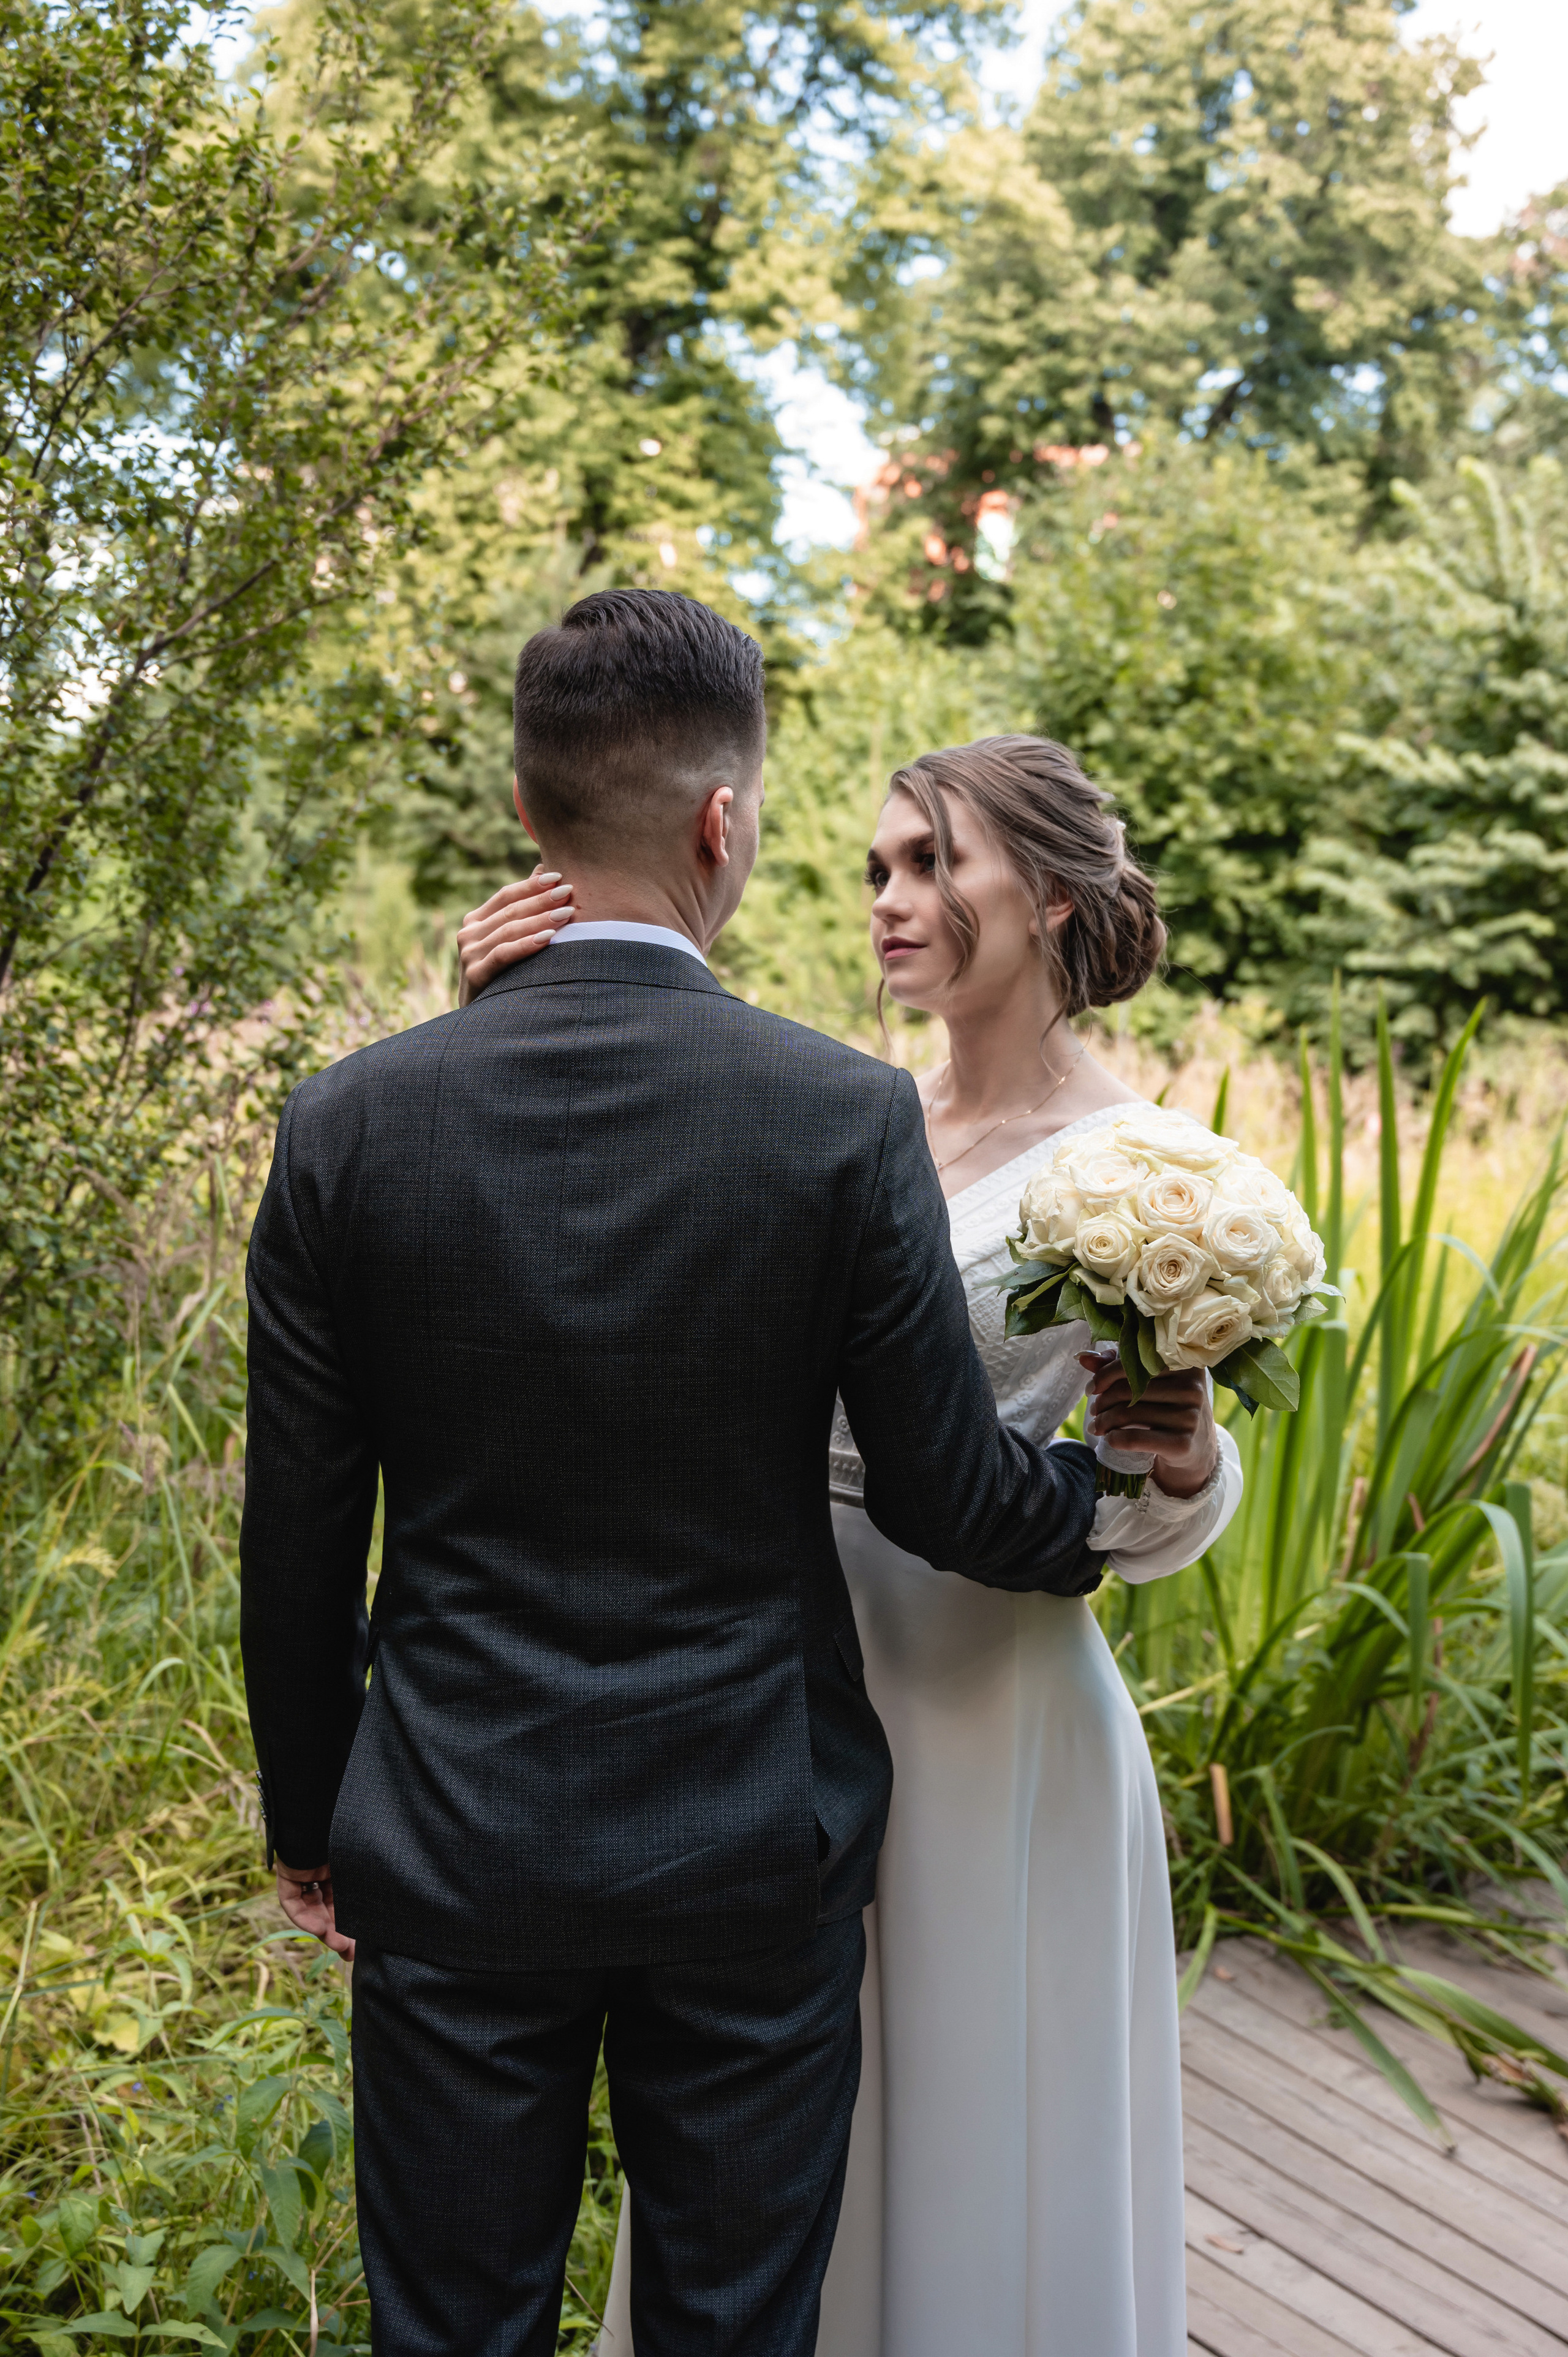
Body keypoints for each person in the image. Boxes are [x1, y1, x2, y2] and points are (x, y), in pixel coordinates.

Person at [240, 596, 1186, 2357]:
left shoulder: (348, 1125)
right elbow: (946, 1499)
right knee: (733, 2327)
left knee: (452, 2329)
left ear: (529, 816)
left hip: (450, 1838)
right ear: (721, 824)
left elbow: (294, 1531)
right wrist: (1116, 1496)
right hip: (752, 1841)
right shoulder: (836, 1120)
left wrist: (316, 1825)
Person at [457, 732, 1243, 2356]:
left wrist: (1187, 1465)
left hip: (995, 1708)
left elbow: (1150, 1508)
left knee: (978, 2116)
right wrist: (501, 1019)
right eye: (878, 866)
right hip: (771, 1687)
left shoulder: (1172, 1184)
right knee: (751, 2147)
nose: (890, 899)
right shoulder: (834, 1110)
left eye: (933, 863)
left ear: (1058, 894)